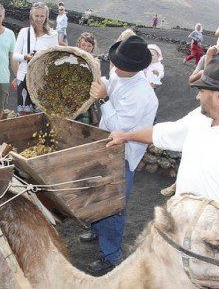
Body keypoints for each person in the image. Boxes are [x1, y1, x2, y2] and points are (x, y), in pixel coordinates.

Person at [108, 59, 219, 229]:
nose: (198, 96)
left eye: (202, 90)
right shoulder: (201, 118)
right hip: (180, 233)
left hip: (210, 250)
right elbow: (163, 132)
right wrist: (125, 136)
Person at [85, 35, 158, 274]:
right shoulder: (119, 73)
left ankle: (111, 256)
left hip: (123, 154)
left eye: (120, 64)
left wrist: (103, 97)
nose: (114, 67)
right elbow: (109, 80)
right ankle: (96, 230)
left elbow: (119, 131)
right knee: (97, 193)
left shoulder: (142, 93)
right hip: (105, 146)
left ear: (135, 68)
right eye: (115, 62)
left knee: (114, 204)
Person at [12, 2, 58, 115]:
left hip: (42, 79)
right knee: (24, 113)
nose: (39, 19)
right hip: (23, 77)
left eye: (42, 16)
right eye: (36, 16)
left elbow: (55, 58)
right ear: (31, 15)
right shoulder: (24, 32)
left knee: (40, 114)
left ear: (46, 17)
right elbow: (14, 55)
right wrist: (25, 57)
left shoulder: (52, 35)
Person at [75, 32, 100, 126]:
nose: (85, 48)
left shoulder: (95, 62)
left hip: (86, 101)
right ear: (78, 45)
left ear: (93, 48)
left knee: (84, 127)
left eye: (89, 46)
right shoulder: (71, 58)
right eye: (83, 45)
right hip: (71, 99)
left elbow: (96, 82)